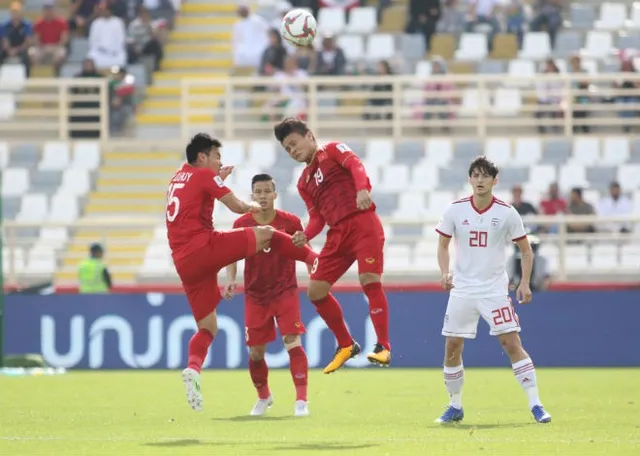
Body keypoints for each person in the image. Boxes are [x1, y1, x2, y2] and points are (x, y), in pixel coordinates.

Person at [166, 133, 317, 412]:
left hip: (184, 262)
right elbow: (235, 205)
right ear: (202, 157)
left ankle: (193, 369)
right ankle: (314, 258)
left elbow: (196, 199)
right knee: (267, 234)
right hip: (203, 247)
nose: (219, 162)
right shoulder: (203, 176)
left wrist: (216, 177)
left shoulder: (178, 177)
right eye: (216, 157)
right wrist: (251, 206)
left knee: (208, 327)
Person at [435, 156, 552, 424]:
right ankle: (455, 406)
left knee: (511, 343)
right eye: (475, 175)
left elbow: (525, 250)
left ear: (494, 180)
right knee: (452, 347)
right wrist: (445, 272)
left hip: (494, 290)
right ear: (469, 179)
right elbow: (442, 245)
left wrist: (523, 282)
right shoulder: (454, 210)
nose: (479, 180)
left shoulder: (507, 212)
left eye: (485, 176)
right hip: (462, 289)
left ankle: (536, 404)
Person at [273, 117, 391, 374]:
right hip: (337, 234)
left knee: (369, 279)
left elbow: (357, 167)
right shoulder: (303, 182)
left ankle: (383, 345)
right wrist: (305, 234)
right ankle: (346, 345)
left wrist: (362, 190)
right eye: (288, 149)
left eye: (294, 143)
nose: (293, 151)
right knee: (315, 290)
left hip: (362, 224)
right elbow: (317, 218)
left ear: (309, 136)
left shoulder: (334, 150)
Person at [224, 174, 310, 418]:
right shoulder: (241, 224)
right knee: (255, 353)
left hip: (285, 291)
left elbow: (303, 249)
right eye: (258, 192)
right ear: (252, 195)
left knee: (292, 342)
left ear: (275, 194)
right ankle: (264, 397)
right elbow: (231, 255)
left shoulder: (291, 222)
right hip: (255, 294)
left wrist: (314, 268)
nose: (262, 196)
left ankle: (301, 400)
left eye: (266, 191)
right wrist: (231, 279)